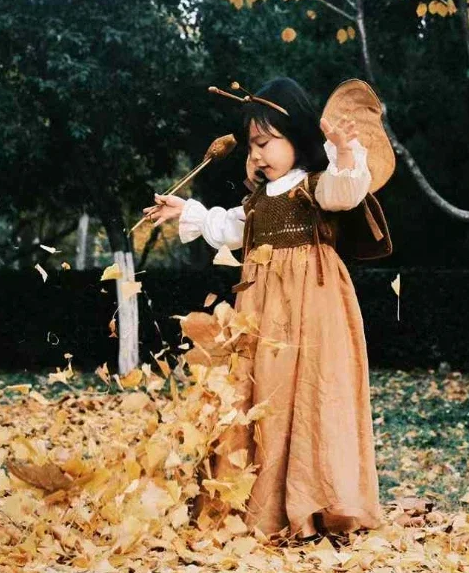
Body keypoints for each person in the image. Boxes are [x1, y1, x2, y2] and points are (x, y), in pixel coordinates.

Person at [142, 77, 392, 539]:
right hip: (259, 306)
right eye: (250, 147)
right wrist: (188, 210)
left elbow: (347, 192)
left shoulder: (318, 186)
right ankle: (264, 503)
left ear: (297, 135)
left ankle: (317, 500)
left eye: (264, 142)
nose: (255, 155)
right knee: (262, 395)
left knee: (314, 390)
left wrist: (345, 151)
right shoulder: (258, 200)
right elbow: (232, 228)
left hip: (313, 306)